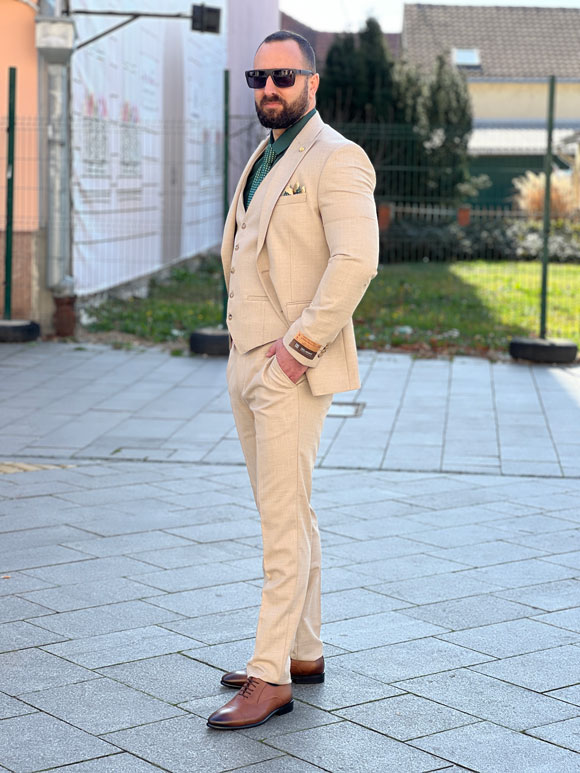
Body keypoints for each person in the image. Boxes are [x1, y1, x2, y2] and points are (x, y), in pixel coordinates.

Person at [207, 29, 379, 731]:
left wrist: (297, 350)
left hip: (288, 366)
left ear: (312, 82)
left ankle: (269, 673)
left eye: (284, 76)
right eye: (259, 77)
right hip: (245, 357)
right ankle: (303, 650)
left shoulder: (337, 156)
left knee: (281, 525)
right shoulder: (264, 153)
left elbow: (356, 260)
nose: (270, 88)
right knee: (291, 511)